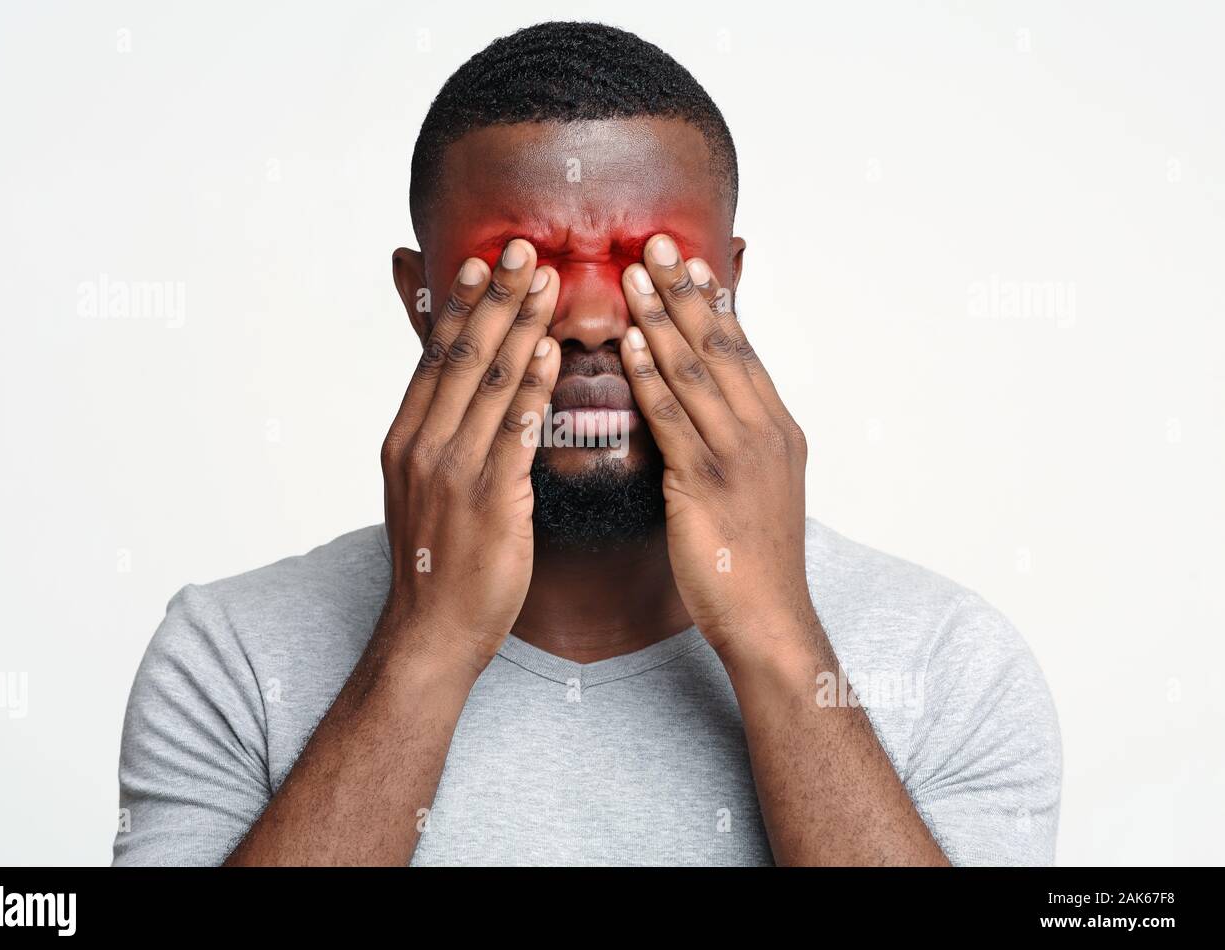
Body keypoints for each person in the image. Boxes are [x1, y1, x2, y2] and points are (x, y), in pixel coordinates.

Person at [113, 21, 1061, 866]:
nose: (596, 315)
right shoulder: (234, 654)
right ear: (422, 296)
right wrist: (427, 642)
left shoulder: (949, 663)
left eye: (655, 266)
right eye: (521, 267)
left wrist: (775, 636)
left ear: (729, 281)